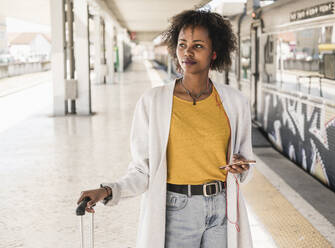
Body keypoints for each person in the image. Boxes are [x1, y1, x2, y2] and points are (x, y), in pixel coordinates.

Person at [77, 9, 254, 248]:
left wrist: (241, 166)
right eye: (182, 44)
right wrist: (109, 190)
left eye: (198, 46)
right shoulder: (153, 101)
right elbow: (142, 171)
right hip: (175, 210)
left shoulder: (234, 102)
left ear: (214, 53)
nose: (188, 52)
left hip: (223, 208)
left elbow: (245, 164)